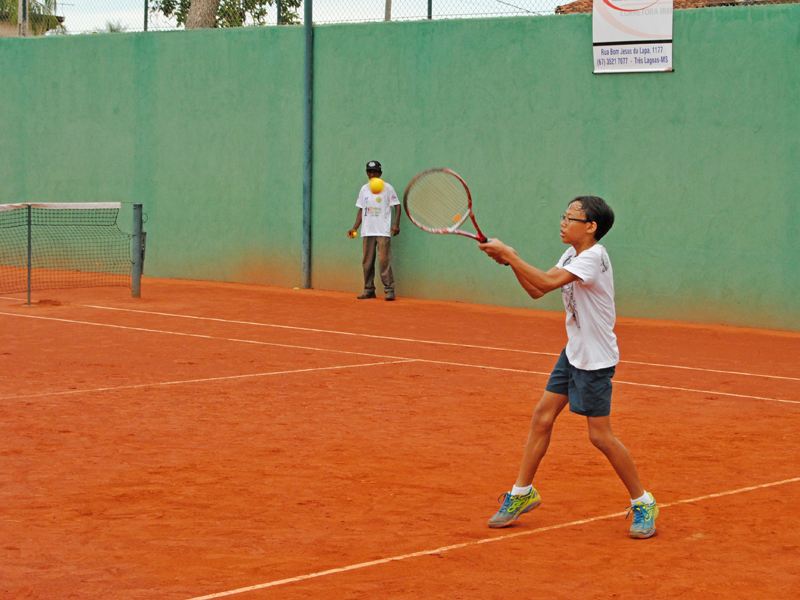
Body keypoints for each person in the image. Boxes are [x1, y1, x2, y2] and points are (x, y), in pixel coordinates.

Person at [478, 196, 658, 539]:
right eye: (563, 215)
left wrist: (511, 256)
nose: (562, 222)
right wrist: (511, 263)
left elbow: (544, 284)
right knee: (543, 416)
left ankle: (643, 501)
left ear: (590, 226)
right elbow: (537, 289)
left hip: (595, 360)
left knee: (600, 437)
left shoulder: (593, 257)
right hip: (574, 351)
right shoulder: (571, 255)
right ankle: (522, 493)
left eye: (570, 217)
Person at [348, 160, 401, 301]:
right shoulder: (364, 189)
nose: (372, 174)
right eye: (370, 172)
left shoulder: (388, 188)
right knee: (367, 262)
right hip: (367, 231)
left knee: (384, 261)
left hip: (383, 231)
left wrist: (396, 224)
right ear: (367, 173)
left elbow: (397, 205)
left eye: (375, 172)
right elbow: (361, 210)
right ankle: (369, 290)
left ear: (380, 173)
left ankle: (389, 290)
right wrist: (355, 227)